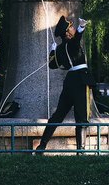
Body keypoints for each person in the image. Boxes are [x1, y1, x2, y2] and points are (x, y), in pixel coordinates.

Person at [35, 15, 92, 153]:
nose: (72, 29)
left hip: (69, 81)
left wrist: (52, 51)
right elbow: (77, 38)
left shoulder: (60, 49)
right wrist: (81, 27)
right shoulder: (72, 43)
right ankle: (81, 151)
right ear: (67, 33)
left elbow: (52, 65)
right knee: (81, 117)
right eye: (71, 27)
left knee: (58, 115)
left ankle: (42, 145)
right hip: (80, 80)